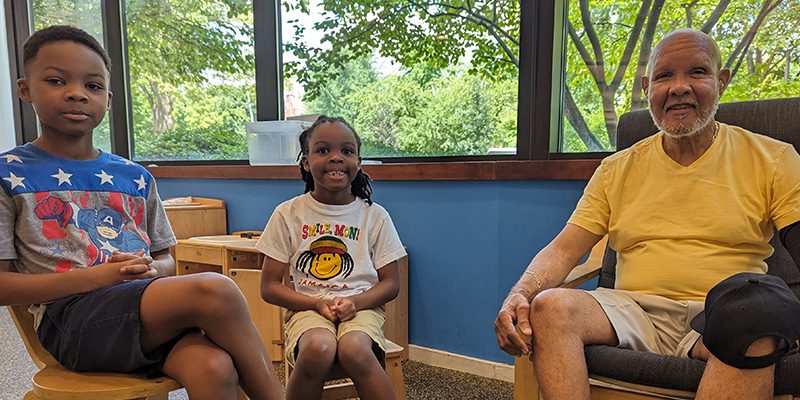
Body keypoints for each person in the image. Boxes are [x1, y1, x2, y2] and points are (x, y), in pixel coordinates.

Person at [494, 28, 800, 400]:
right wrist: (519, 294)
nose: (679, 87)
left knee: (757, 312)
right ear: (647, 87)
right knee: (548, 307)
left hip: (723, 316)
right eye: (664, 75)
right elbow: (563, 250)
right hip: (632, 311)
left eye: (697, 72)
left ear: (721, 81)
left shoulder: (773, 158)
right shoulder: (616, 168)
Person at [0, 25, 283, 400]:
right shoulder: (10, 173)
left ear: (109, 98)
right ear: (25, 89)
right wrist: (98, 278)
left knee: (213, 367)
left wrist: (149, 268)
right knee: (216, 290)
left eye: (93, 86)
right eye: (55, 80)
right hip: (69, 322)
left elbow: (166, 259)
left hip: (143, 306)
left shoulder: (134, 177)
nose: (76, 94)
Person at [257, 116, 406, 400]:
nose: (336, 157)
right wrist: (317, 303)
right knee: (318, 348)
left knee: (355, 349)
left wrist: (355, 303)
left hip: (362, 307)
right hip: (308, 309)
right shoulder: (287, 214)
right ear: (305, 162)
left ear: (358, 162)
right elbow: (269, 287)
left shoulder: (374, 216)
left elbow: (391, 284)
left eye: (347, 151)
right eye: (323, 150)